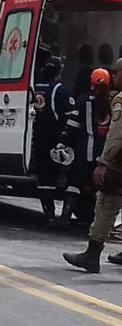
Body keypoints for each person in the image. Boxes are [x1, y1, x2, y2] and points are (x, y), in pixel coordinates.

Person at [63, 59, 122, 273]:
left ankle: (92, 254)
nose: (114, 76)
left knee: (106, 205)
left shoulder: (120, 101)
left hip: (117, 164)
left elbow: (116, 137)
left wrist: (103, 163)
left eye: (116, 72)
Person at [52, 68, 111, 229]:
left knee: (74, 183)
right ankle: (98, 222)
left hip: (83, 151)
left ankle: (65, 217)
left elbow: (72, 125)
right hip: (104, 153)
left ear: (91, 81)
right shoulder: (112, 101)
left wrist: (63, 142)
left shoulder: (83, 100)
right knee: (101, 188)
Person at [31, 57, 77, 222]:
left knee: (44, 179)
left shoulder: (34, 88)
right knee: (62, 176)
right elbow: (71, 115)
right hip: (55, 140)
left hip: (37, 138)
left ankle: (48, 214)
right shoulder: (61, 91)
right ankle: (63, 215)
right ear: (58, 71)